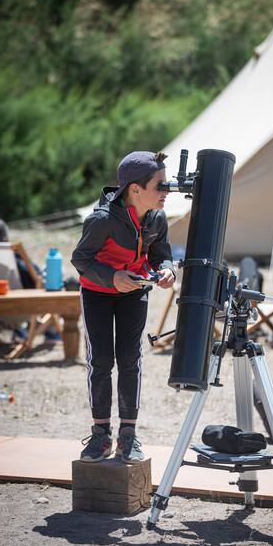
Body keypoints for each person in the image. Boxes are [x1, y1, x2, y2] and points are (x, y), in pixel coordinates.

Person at [71, 151, 175, 464]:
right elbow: (80, 260)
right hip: (97, 294)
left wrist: (167, 269)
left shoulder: (157, 217)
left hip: (135, 293)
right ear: (135, 190)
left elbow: (161, 254)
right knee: (101, 361)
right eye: (161, 185)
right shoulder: (101, 220)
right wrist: (112, 277)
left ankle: (128, 436)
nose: (167, 191)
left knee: (130, 358)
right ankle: (100, 436)